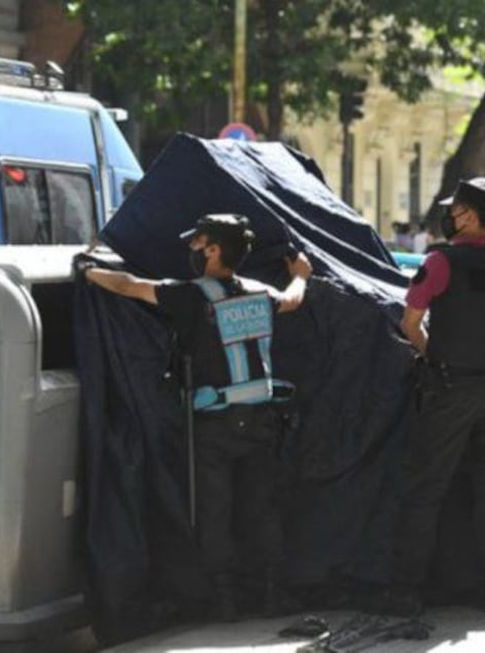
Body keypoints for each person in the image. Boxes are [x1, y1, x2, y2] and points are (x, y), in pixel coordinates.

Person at [80, 214, 313, 621]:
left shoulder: (191, 296)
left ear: (214, 250)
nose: (191, 253)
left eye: (197, 245)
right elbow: (293, 299)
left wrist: (87, 271)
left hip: (215, 423)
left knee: (215, 512)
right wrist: (303, 274)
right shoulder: (261, 293)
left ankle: (224, 601)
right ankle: (273, 595)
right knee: (262, 508)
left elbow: (130, 287)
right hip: (262, 419)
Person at [384, 176, 485, 616]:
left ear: (469, 215)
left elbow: (409, 324)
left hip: (449, 390)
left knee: (425, 488)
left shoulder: (440, 262)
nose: (450, 217)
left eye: (456, 210)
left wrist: (438, 359)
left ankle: (407, 591)